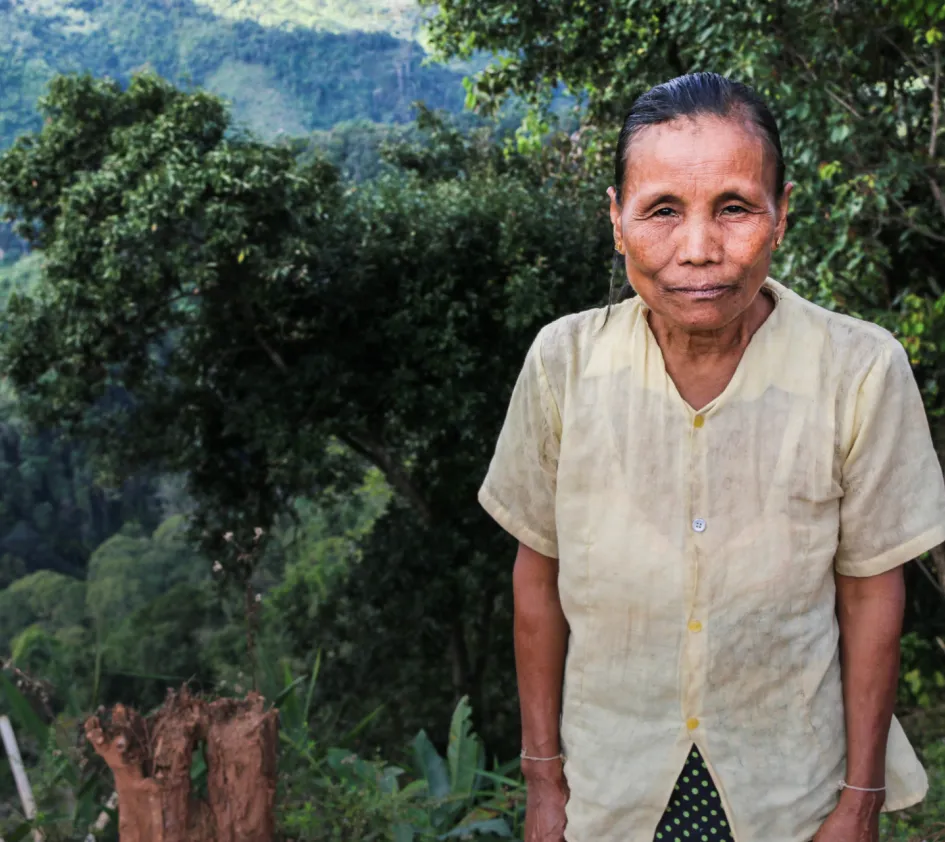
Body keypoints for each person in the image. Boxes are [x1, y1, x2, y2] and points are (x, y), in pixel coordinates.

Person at [477, 72, 945, 842]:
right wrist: (543, 782)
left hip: (790, 793)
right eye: (661, 210)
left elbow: (870, 597)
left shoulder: (859, 370)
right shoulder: (563, 364)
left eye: (734, 208)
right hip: (610, 791)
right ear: (616, 221)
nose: (698, 250)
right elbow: (538, 578)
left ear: (782, 214)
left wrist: (858, 800)